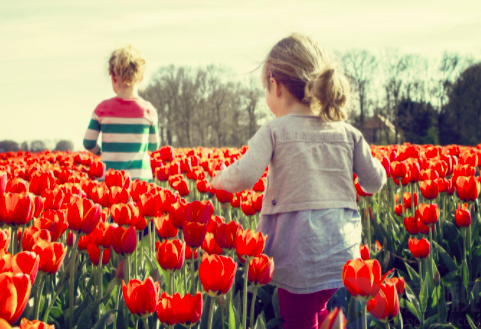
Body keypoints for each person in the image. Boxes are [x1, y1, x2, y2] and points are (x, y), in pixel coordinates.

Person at [210, 33, 386, 329]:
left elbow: (244, 176)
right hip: (341, 253)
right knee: (319, 313)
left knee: (297, 321)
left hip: (298, 255)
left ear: (274, 84)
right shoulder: (348, 133)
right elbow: (375, 181)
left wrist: (217, 180)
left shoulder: (275, 131)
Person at [83, 45, 159, 181]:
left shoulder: (102, 109)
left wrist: (101, 152)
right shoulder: (148, 110)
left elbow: (88, 142)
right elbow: (154, 146)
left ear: (113, 77)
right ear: (141, 78)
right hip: (140, 181)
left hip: (110, 182)